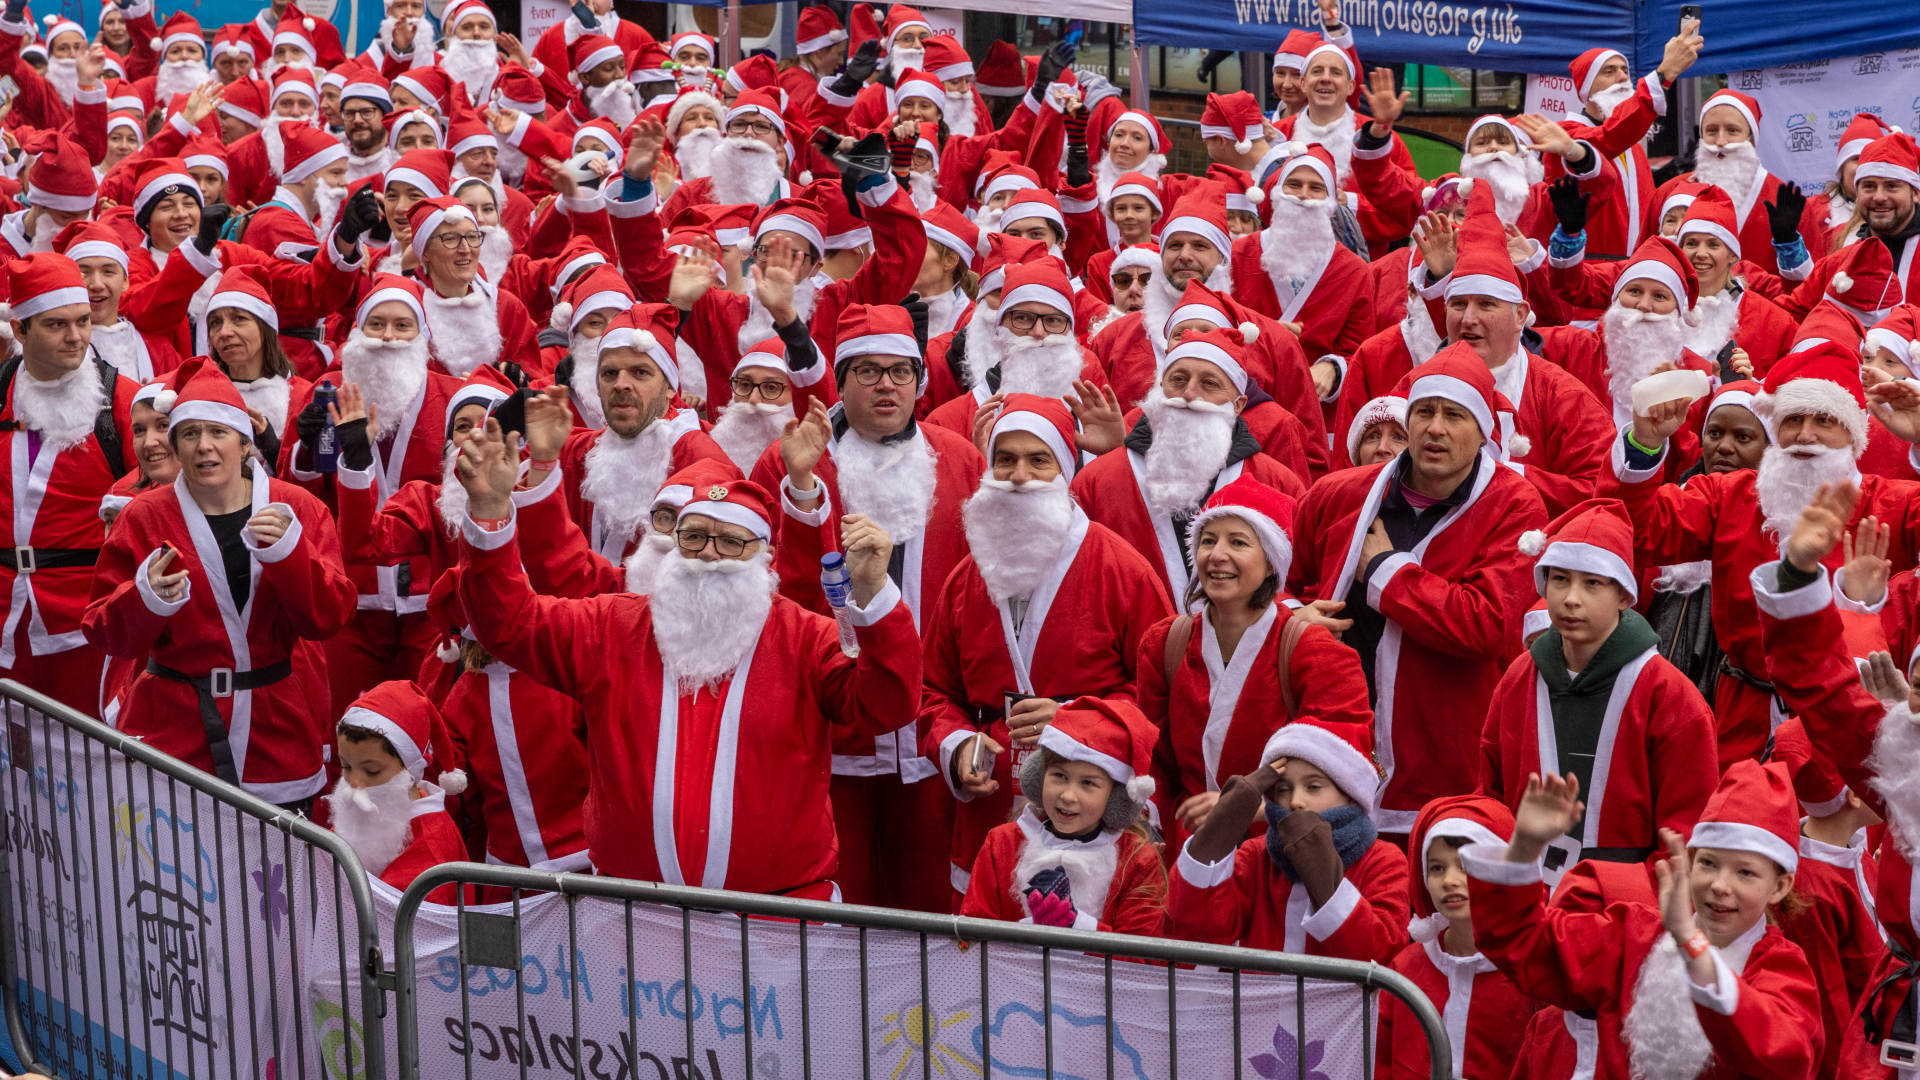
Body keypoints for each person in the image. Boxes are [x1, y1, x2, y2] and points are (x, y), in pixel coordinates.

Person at [454, 421, 921, 898]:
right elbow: (510, 624)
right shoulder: (612, 628)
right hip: (633, 919)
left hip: (777, 922)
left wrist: (877, 600)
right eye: (694, 537)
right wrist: (491, 513)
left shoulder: (805, 639)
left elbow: (888, 705)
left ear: (766, 554)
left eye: (732, 541)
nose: (709, 556)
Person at [751, 304, 982, 912]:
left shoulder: (959, 459)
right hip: (829, 737)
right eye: (869, 372)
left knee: (932, 914)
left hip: (934, 736)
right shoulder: (792, 459)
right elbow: (761, 586)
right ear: (842, 380)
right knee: (837, 910)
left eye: (901, 372)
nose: (887, 385)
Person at [1604, 342, 1920, 766]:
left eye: (1824, 420)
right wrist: (1644, 441)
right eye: (1792, 420)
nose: (1805, 434)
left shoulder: (1896, 505)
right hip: (1744, 719)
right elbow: (1632, 533)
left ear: (1853, 431)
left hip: (1855, 723)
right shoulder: (1730, 495)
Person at [921, 395, 1173, 905]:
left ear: (1066, 469)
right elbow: (933, 689)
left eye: (1039, 460)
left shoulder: (1120, 568)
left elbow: (1161, 691)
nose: (1019, 475)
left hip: (1095, 799)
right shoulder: (967, 576)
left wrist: (1076, 719)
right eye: (1005, 459)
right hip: (991, 805)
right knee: (989, 955)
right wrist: (957, 747)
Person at [1289, 347, 1547, 837]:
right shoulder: (1338, 494)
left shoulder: (1514, 505)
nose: (1435, 428)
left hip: (1443, 762)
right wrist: (1294, 621)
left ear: (1484, 431)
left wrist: (1385, 571)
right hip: (1334, 752)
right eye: (1424, 412)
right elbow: (1277, 586)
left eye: (1454, 415)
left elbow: (1487, 626)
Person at [83, 359, 355, 808]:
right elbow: (103, 631)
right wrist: (144, 597)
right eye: (189, 434)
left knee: (274, 873)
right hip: (173, 731)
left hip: (275, 734)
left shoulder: (296, 509)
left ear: (245, 442)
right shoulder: (144, 516)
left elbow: (330, 618)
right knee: (171, 874)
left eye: (217, 432)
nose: (203, 447)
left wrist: (291, 557)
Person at [1461, 763, 1822, 1080]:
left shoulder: (1780, 968)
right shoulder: (1633, 934)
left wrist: (1689, 942)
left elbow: (1786, 1055)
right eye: (1708, 863)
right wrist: (1524, 846)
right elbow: (1524, 944)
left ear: (1780, 887)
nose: (1719, 886)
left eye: (1745, 873)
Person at [1752, 484, 1920, 1079]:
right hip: (1896, 1035)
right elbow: (1820, 687)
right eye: (1919, 687)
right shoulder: (1906, 779)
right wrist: (1800, 576)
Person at [1478, 498, 1717, 880]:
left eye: (1592, 583)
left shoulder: (1669, 694)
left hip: (1626, 905)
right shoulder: (1520, 678)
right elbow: (1489, 796)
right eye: (1559, 579)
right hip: (1526, 888)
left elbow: (1685, 836)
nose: (1571, 598)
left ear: (1624, 594)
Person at [1135, 476, 1372, 853]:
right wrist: (1153, 822)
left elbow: (1338, 773)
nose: (1217, 555)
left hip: (1279, 852)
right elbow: (1153, 760)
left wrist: (1254, 809)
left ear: (1271, 565)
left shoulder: (1319, 656)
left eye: (1238, 542)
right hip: (1187, 848)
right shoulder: (1166, 643)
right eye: (1208, 540)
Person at [1070, 327, 1305, 603]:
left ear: (1239, 404)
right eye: (1178, 380)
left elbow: (1296, 580)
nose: (1189, 394)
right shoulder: (1097, 481)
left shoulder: (1277, 481)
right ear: (1160, 389)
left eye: (1209, 384)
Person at [0, 254, 139, 717]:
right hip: (4, 616)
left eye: (83, 321)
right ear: (20, 330)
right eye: (57, 325)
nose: (76, 337)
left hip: (87, 621)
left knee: (91, 757)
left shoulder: (124, 401)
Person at [1162, 715, 1408, 960]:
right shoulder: (1257, 855)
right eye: (1283, 789)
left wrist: (1325, 880)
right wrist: (1220, 831)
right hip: (1256, 999)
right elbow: (1199, 923)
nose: (1295, 802)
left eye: (1313, 787)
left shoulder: (1383, 860)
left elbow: (1382, 952)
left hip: (1340, 1000)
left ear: (1351, 794)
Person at [959, 696, 1167, 935]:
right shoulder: (1000, 844)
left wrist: (1078, 927)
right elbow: (973, 940)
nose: (1068, 796)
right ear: (1038, 776)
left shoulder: (1138, 861)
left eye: (1088, 783)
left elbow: (1144, 962)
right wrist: (1027, 934)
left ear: (1117, 798)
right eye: (1059, 776)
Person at [1376, 795, 1533, 1080]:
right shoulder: (1405, 969)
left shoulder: (1529, 973)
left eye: (1465, 866)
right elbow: (1381, 1063)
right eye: (1437, 867)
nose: (1449, 880)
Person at [326, 679, 474, 903]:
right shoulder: (375, 804)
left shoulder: (431, 845)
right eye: (346, 766)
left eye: (372, 771)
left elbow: (395, 915)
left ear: (410, 770)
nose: (355, 782)